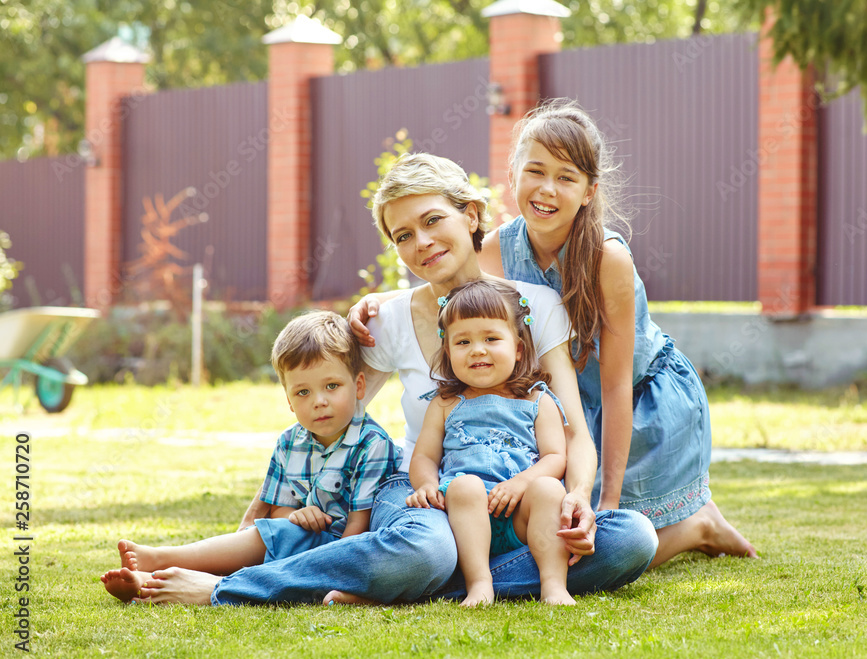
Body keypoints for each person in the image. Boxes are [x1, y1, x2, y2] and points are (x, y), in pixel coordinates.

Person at [121, 152, 655, 607]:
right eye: (403, 235)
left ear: (471, 215)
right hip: (423, 496)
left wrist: (579, 496)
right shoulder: (387, 319)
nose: (421, 242)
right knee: (425, 550)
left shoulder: (533, 305)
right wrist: (269, 501)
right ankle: (230, 586)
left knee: (632, 537)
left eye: (432, 221)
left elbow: (574, 432)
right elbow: (331, 418)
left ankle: (419, 585)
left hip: (519, 497)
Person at [476, 99, 757, 566]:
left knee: (599, 547)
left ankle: (698, 526)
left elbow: (615, 383)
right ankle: (697, 521)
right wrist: (376, 303)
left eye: (566, 177)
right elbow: (442, 297)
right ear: (512, 175)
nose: (547, 189)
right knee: (545, 536)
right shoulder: (495, 253)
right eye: (535, 171)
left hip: (642, 403)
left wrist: (606, 502)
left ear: (588, 191)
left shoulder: (608, 259)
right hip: (567, 415)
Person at [100, 311, 401, 603]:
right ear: (289, 401)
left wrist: (292, 529)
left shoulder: (371, 443)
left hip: (344, 555)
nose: (319, 401)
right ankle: (150, 580)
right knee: (271, 534)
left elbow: (357, 531)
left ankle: (162, 559)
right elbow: (278, 511)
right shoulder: (289, 443)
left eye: (331, 386)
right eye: (303, 392)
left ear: (359, 386)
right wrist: (298, 516)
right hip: (296, 541)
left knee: (268, 538)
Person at [406, 279, 574, 607]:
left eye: (491, 338)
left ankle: (554, 585)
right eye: (463, 341)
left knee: (550, 490)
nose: (477, 349)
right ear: (448, 351)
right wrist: (425, 485)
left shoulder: (538, 400)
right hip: (463, 516)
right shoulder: (445, 403)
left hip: (521, 516)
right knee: (465, 486)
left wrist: (521, 484)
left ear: (518, 348)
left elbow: (555, 456)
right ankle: (480, 583)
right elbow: (424, 456)